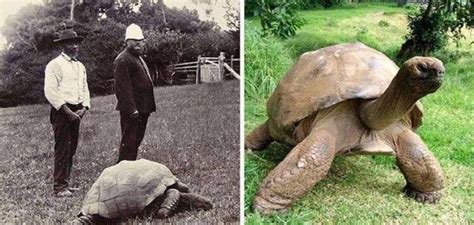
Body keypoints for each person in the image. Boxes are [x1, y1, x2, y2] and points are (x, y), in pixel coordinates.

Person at [44, 28, 90, 197]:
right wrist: (67, 111)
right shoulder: (54, 65)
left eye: (77, 42)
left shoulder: (80, 66)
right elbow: (50, 92)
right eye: (71, 43)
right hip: (62, 111)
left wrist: (84, 107)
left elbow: (84, 88)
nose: (75, 46)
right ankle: (59, 187)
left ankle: (66, 183)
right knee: (62, 148)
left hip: (77, 111)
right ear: (62, 46)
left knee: (72, 148)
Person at [114, 23, 156, 163]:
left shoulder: (137, 58)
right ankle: (122, 172)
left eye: (141, 41)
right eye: (134, 41)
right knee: (129, 143)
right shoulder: (123, 59)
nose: (138, 44)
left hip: (143, 108)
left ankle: (130, 169)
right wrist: (132, 109)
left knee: (135, 142)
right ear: (127, 42)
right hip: (132, 110)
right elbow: (122, 88)